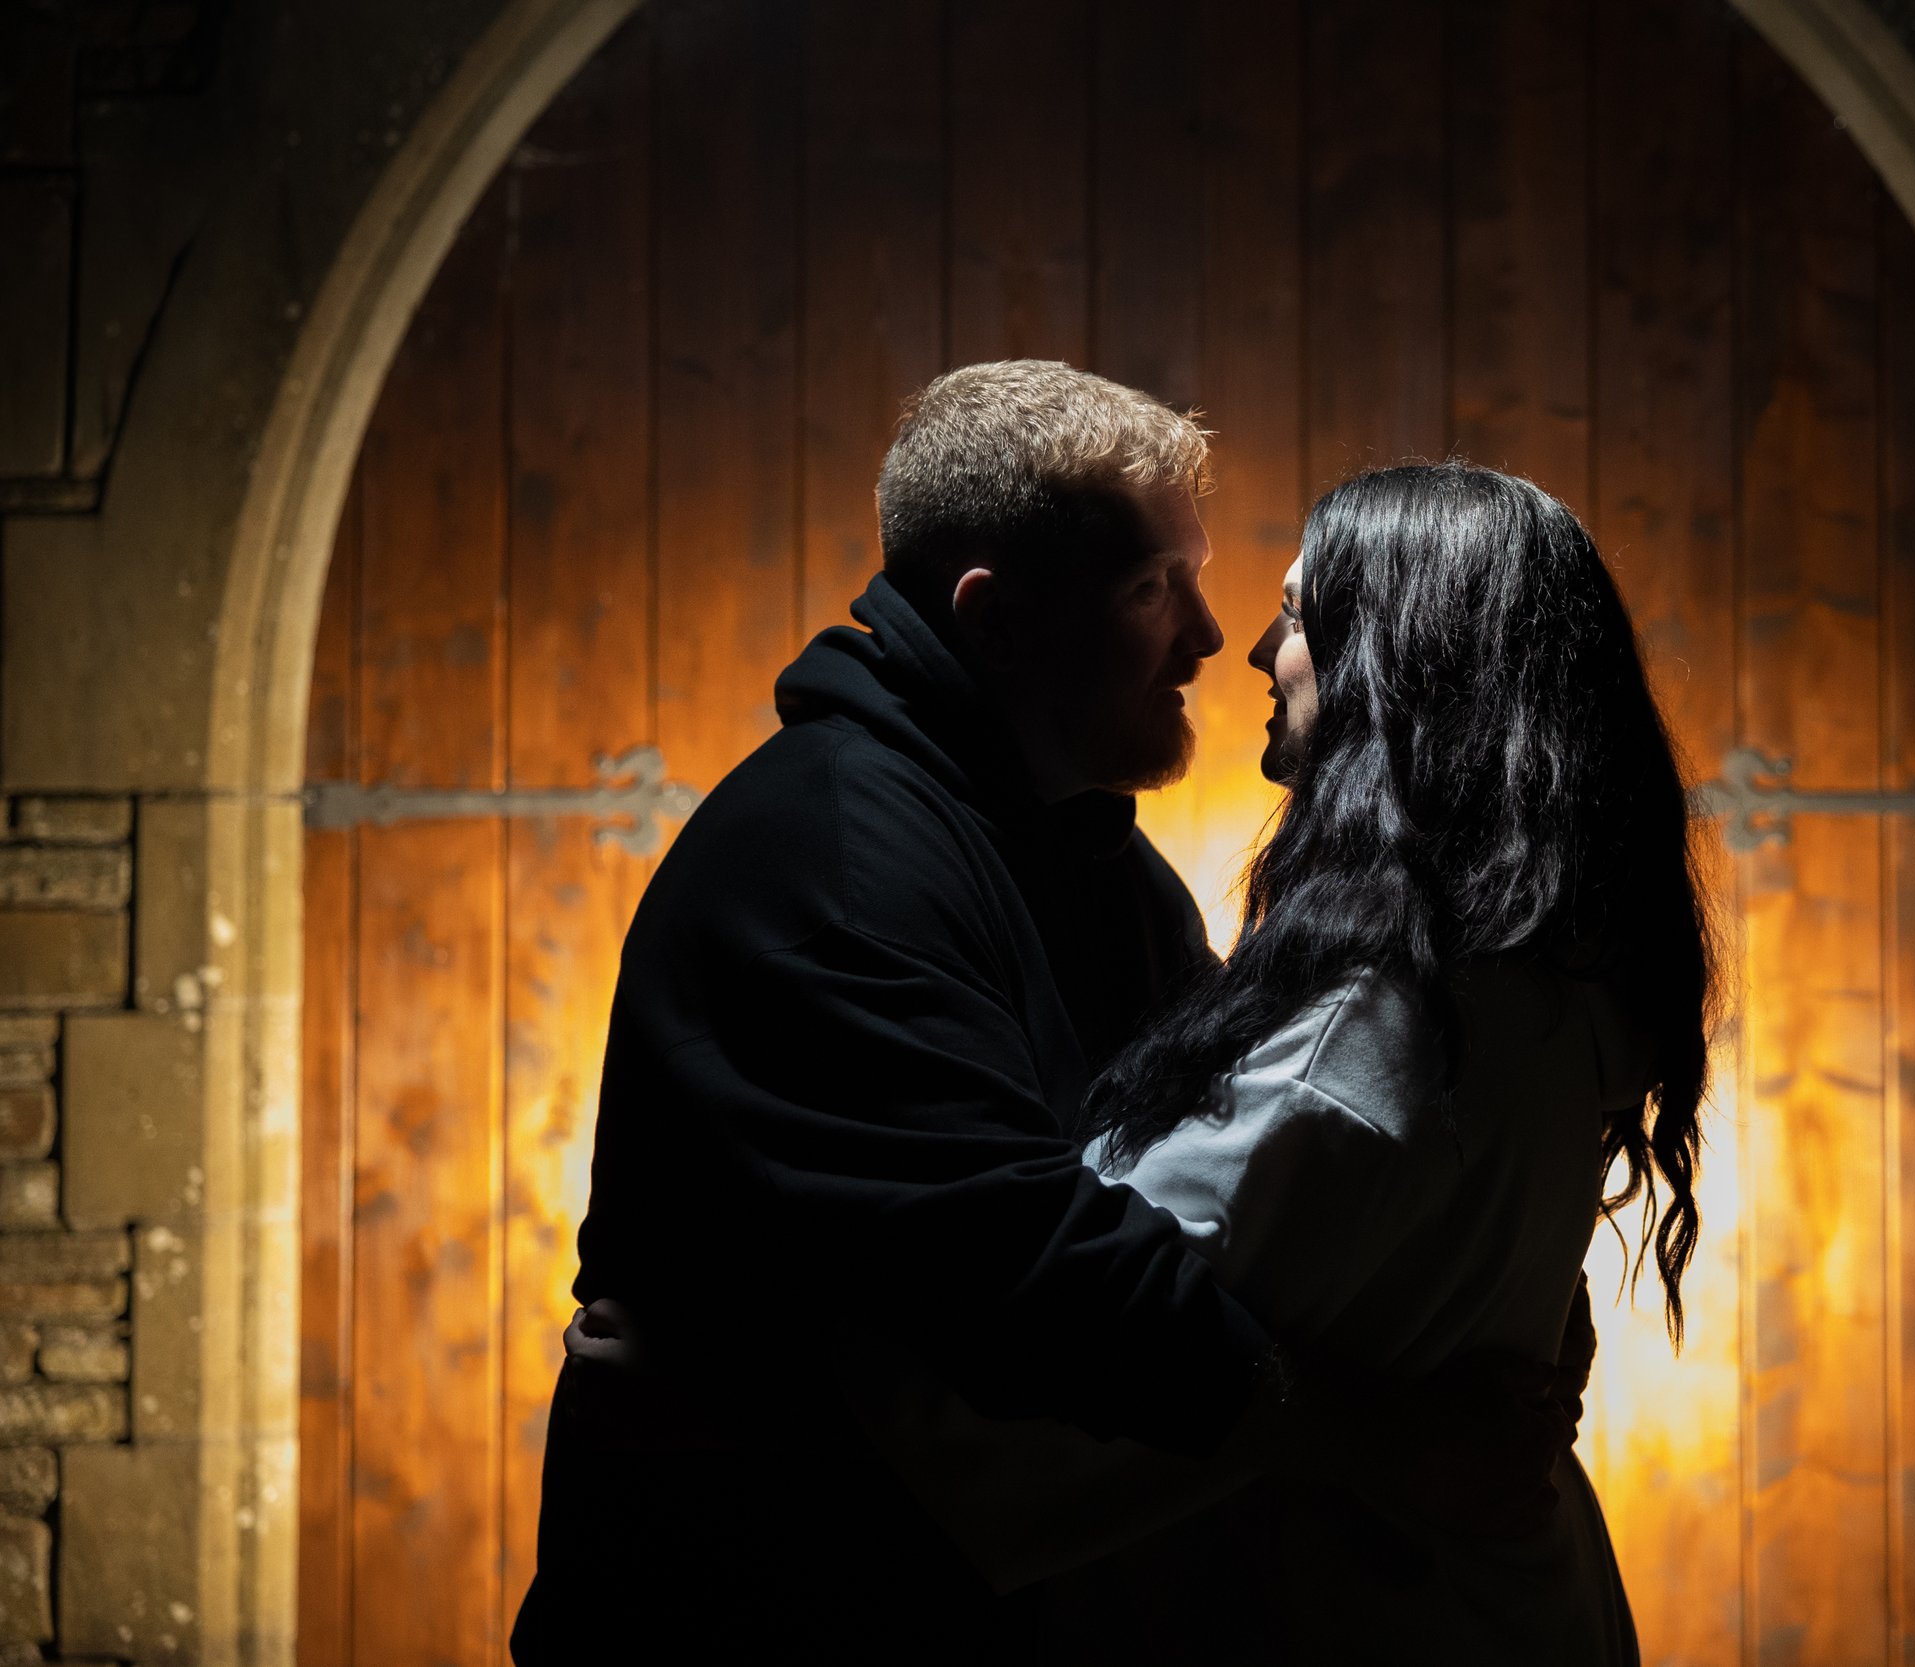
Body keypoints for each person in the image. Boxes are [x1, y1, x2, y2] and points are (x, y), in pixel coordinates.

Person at [510, 365, 1577, 1665]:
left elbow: (1234, 1185)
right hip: (747, 1613)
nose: (1204, 632)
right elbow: (1015, 1257)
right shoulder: (832, 849)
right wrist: (1380, 1430)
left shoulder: (1093, 863)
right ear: (995, 618)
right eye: (1150, 588)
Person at [859, 461, 1719, 1665]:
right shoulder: (1545, 979)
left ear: (1404, 659)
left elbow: (1061, 1380)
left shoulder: (1354, 1055)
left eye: (1302, 611)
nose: (1259, 649)